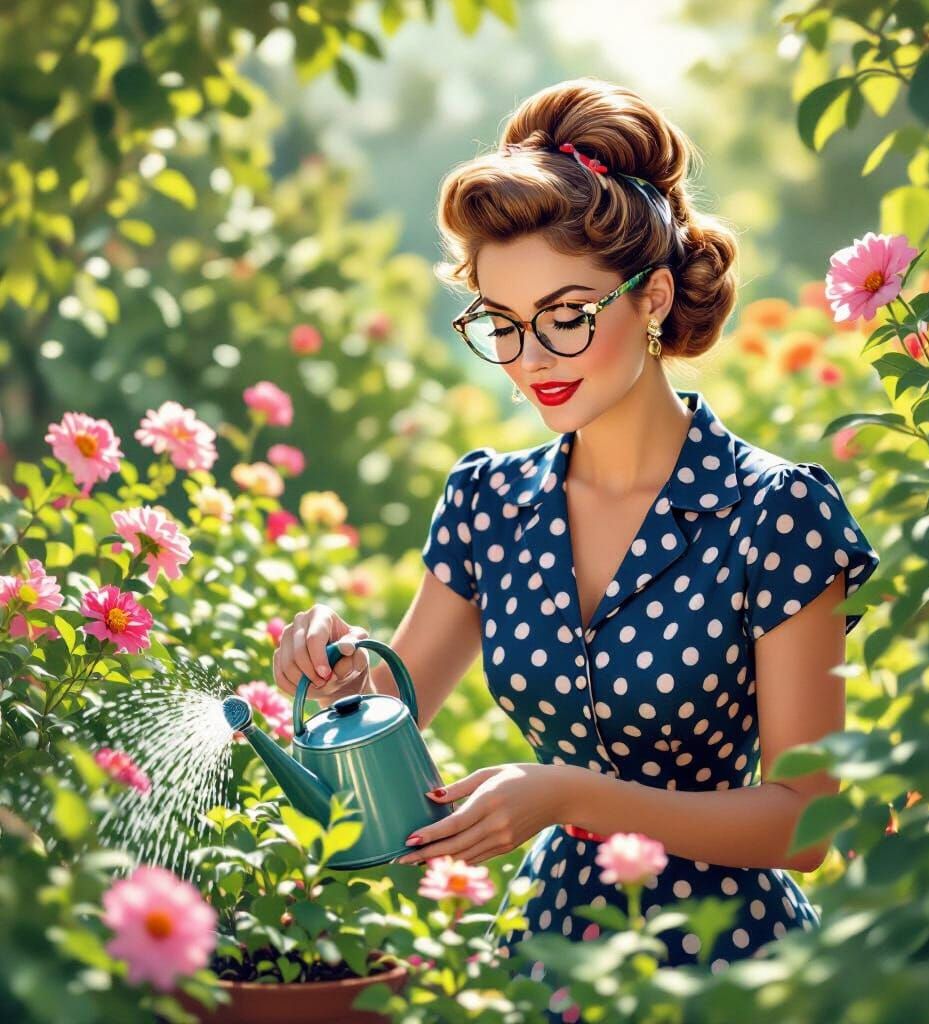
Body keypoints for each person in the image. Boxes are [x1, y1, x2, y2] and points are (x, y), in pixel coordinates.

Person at [273, 77, 880, 985]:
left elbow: (806, 823)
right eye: (504, 326)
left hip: (735, 970)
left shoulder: (775, 514)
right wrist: (335, 668)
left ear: (653, 297)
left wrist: (565, 795)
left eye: (566, 317)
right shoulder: (487, 505)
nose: (533, 361)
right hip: (543, 960)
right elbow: (393, 716)